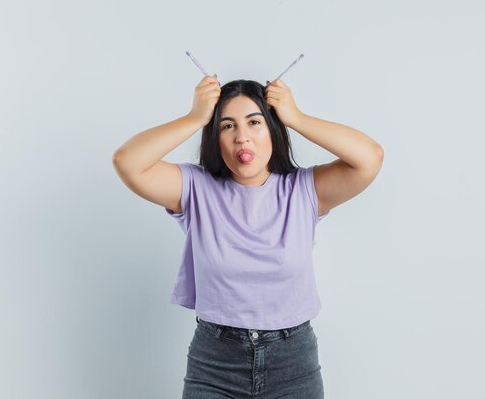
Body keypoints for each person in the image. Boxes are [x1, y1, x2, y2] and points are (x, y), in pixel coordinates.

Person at [112, 74, 383, 398]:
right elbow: (127, 162)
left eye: (254, 122)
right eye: (227, 126)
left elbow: (370, 158)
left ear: (272, 127)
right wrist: (195, 117)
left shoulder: (303, 190)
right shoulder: (196, 188)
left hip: (292, 363)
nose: (242, 137)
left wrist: (297, 118)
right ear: (215, 137)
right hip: (214, 363)